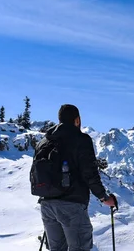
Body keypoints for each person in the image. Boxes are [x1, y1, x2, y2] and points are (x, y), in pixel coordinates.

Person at [36, 104, 117, 251]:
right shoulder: (81, 139)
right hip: (71, 205)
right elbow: (89, 173)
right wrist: (104, 197)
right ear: (77, 120)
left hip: (47, 205)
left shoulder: (44, 142)